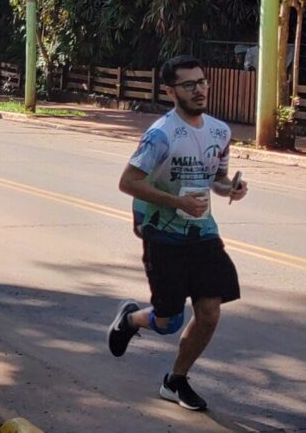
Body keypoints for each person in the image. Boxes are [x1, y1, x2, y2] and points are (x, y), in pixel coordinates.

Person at [104, 55, 249, 413]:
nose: (199, 89)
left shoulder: (220, 131)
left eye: (202, 81)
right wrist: (175, 201)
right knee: (168, 322)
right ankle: (131, 319)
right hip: (163, 234)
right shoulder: (160, 135)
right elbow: (128, 182)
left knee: (210, 311)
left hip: (203, 233)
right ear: (170, 91)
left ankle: (176, 381)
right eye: (189, 84)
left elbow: (215, 179)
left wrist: (231, 188)